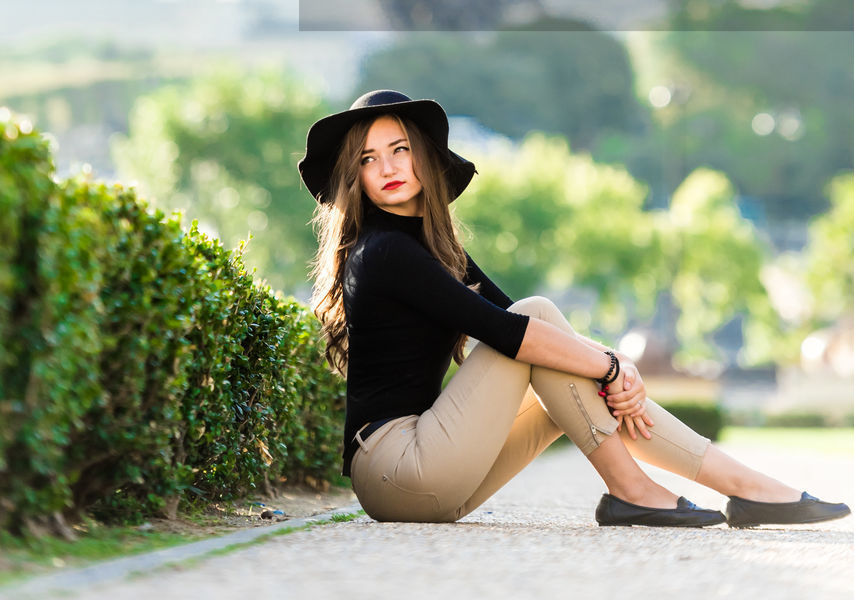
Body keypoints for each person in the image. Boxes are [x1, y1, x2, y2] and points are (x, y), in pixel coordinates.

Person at [301, 90, 850, 529]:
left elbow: (509, 318)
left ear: (424, 156)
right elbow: (511, 328)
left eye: (400, 149)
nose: (388, 167)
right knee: (539, 321)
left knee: (562, 376)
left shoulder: (431, 249)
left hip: (435, 478)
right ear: (355, 176)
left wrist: (607, 366)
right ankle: (651, 490)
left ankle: (734, 486)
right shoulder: (385, 250)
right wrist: (613, 364)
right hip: (397, 469)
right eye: (369, 159)